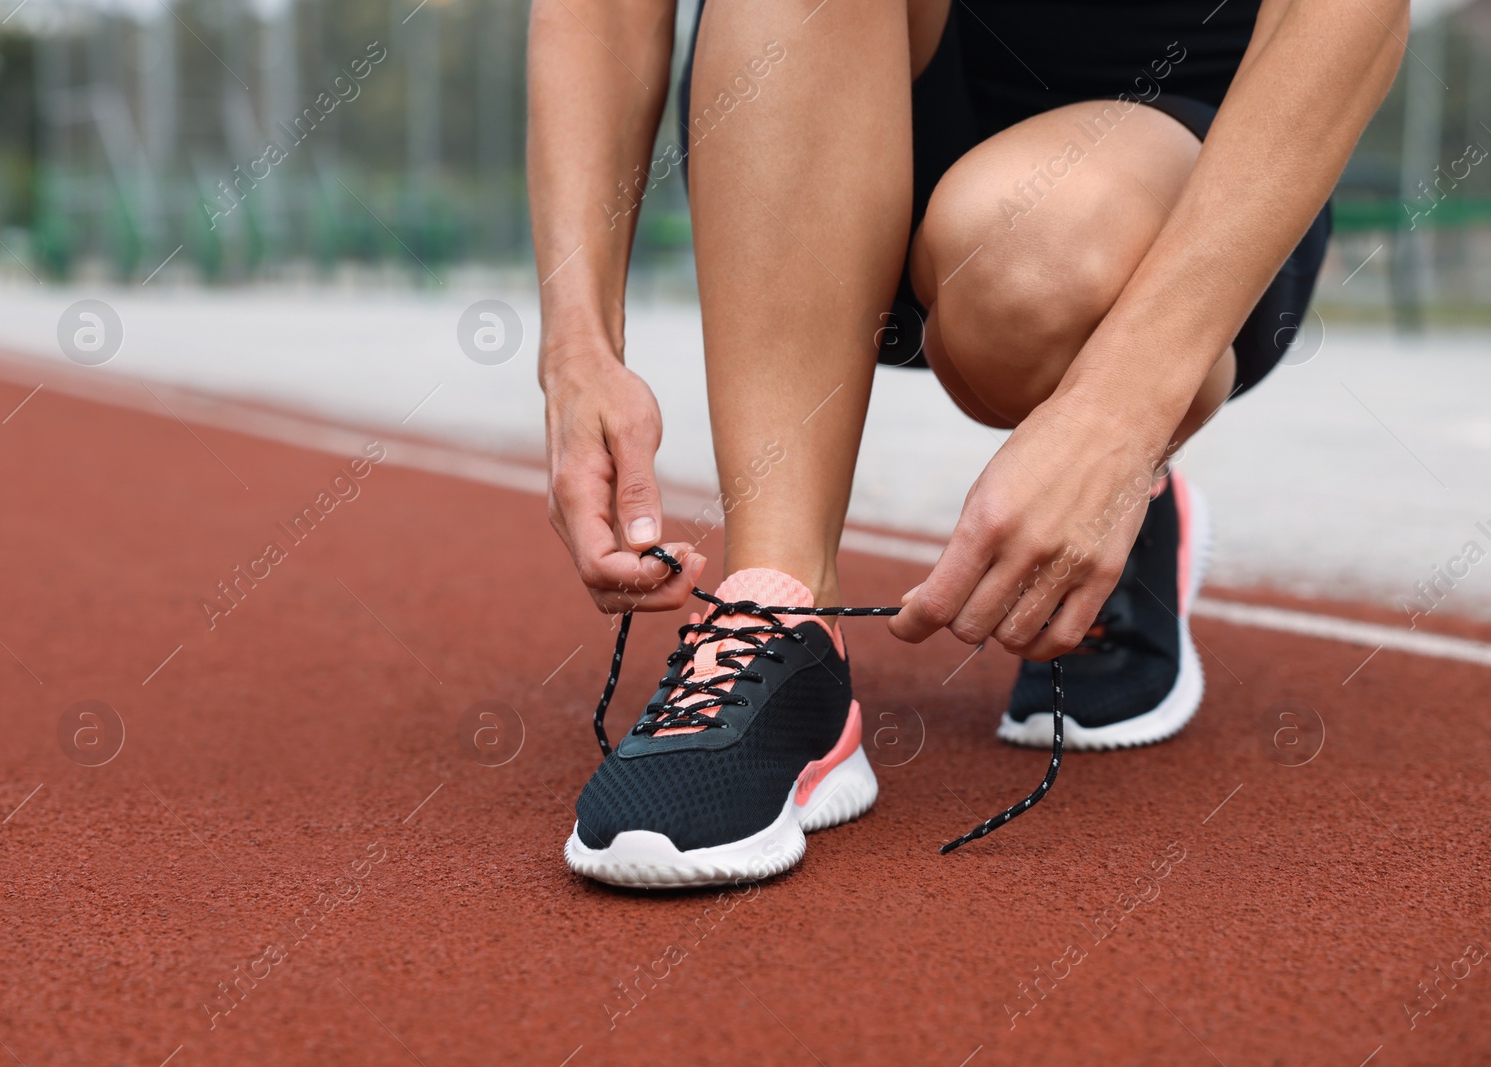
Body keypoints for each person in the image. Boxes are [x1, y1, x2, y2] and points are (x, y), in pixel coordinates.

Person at [528, 0, 1403, 888]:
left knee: (1030, 272)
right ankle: (782, 619)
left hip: (1189, 163)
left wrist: (1117, 421)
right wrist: (576, 345)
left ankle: (1125, 502)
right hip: (828, 118)